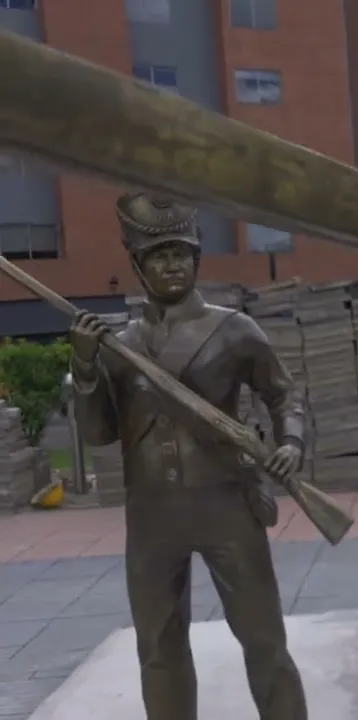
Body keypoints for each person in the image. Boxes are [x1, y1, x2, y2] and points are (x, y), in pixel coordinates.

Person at [69, 193, 309, 720]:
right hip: (152, 513)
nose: (173, 265)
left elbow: (284, 394)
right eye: (159, 256)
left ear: (197, 259)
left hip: (226, 504)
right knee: (158, 648)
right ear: (138, 266)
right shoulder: (121, 344)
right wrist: (85, 369)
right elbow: (99, 433)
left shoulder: (234, 329)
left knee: (264, 640)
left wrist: (290, 442)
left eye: (181, 253)